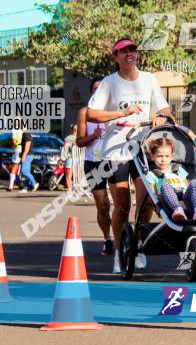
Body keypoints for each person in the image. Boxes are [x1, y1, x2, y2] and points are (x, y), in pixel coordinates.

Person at [87, 38, 174, 274]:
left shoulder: (149, 79)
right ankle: (119, 251)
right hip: (116, 150)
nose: (129, 54)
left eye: (132, 50)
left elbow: (165, 108)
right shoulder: (109, 83)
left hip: (143, 148)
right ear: (115, 56)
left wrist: (162, 117)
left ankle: (138, 244)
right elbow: (91, 114)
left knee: (146, 198)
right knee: (122, 204)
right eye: (123, 51)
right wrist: (121, 113)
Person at [77, 77, 112, 257]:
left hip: (112, 160)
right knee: (103, 205)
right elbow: (79, 142)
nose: (98, 93)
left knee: (122, 203)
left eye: (102, 89)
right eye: (95, 89)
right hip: (93, 162)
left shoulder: (113, 111)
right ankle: (107, 239)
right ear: (91, 93)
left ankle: (125, 239)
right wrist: (94, 136)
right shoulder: (85, 113)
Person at [143, 137, 196, 222]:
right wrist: (157, 199)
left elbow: (186, 185)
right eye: (160, 156)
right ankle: (178, 210)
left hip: (184, 197)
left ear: (172, 157)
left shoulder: (177, 169)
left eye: (167, 156)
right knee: (165, 185)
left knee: (195, 182)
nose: (163, 159)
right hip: (166, 200)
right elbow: (152, 194)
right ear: (152, 156)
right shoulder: (151, 174)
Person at [15, 127, 37, 193]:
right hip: (28, 155)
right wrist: (18, 144)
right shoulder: (24, 134)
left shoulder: (26, 134)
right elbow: (25, 143)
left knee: (24, 171)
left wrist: (24, 155)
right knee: (27, 172)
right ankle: (26, 188)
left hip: (28, 155)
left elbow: (27, 145)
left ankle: (34, 183)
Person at [61, 124, 76, 190]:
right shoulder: (80, 138)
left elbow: (65, 149)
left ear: (71, 130)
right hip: (77, 159)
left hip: (69, 158)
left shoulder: (68, 138)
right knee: (73, 174)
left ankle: (69, 189)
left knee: (68, 175)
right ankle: (73, 188)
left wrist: (62, 159)